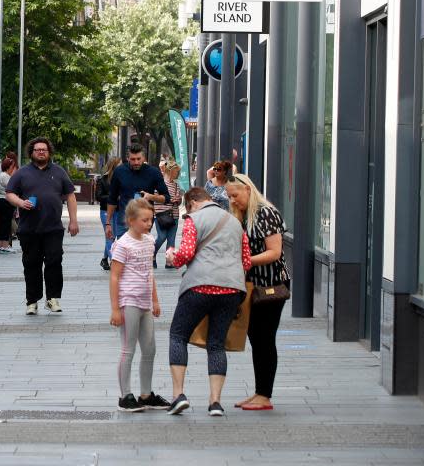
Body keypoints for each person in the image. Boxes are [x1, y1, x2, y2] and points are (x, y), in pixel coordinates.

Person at [164, 187, 252, 417]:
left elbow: (186, 254)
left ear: (192, 202)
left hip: (199, 286)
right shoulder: (235, 222)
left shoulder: (193, 219)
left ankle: (178, 395)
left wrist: (172, 256)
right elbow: (246, 261)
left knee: (178, 335)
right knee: (216, 344)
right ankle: (215, 402)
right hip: (232, 289)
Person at [225, 173, 290, 411]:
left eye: (236, 195)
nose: (232, 201)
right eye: (229, 197)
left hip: (271, 285)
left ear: (249, 190)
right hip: (253, 285)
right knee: (255, 337)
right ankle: (260, 391)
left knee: (264, 338)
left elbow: (274, 252)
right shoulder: (242, 216)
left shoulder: (265, 213)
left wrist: (245, 261)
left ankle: (265, 395)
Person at [5, 137, 79, 315]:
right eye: (37, 150)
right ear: (31, 153)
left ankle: (52, 299)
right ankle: (32, 301)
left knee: (54, 262)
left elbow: (70, 196)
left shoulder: (59, 172)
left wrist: (73, 220)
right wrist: (21, 203)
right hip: (29, 229)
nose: (40, 152)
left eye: (44, 150)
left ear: (49, 152)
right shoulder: (22, 173)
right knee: (31, 264)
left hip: (53, 228)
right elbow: (9, 193)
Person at [110, 198, 170, 412]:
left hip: (145, 301)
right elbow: (115, 277)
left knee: (150, 349)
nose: (149, 224)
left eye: (151, 219)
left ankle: (146, 394)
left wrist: (155, 299)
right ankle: (125, 396)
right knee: (128, 349)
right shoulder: (122, 244)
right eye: (144, 220)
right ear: (130, 221)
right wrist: (116, 309)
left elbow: (149, 272)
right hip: (129, 300)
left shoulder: (149, 241)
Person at [105, 144, 171, 242]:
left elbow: (166, 198)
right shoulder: (119, 171)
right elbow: (112, 199)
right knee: (124, 253)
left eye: (138, 159)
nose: (136, 162)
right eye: (133, 159)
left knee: (141, 253)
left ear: (144, 157)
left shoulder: (153, 172)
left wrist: (151, 197)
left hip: (144, 221)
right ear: (128, 158)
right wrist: (108, 223)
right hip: (124, 221)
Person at [153, 160, 183, 268]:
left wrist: (178, 200)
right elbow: (155, 198)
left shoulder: (176, 185)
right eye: (176, 171)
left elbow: (179, 201)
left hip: (173, 215)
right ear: (170, 171)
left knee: (171, 239)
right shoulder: (159, 183)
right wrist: (169, 199)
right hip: (161, 214)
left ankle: (169, 261)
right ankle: (151, 254)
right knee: (161, 236)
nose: (178, 174)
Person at [97, 157, 122, 270]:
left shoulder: (122, 179)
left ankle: (104, 259)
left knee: (114, 236)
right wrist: (113, 198)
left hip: (119, 211)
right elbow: (98, 196)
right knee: (110, 237)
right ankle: (114, 261)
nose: (122, 167)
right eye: (120, 165)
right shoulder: (103, 179)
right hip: (106, 211)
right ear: (114, 166)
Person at [0, 156, 18, 253]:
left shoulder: (3, 175)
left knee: (3, 224)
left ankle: (0, 245)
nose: (14, 169)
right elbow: (12, 188)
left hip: (3, 201)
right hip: (5, 201)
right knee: (6, 224)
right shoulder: (5, 176)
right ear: (8, 167)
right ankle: (4, 246)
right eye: (13, 167)